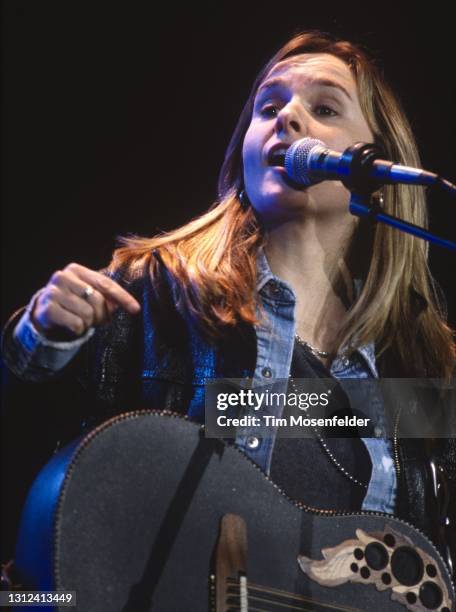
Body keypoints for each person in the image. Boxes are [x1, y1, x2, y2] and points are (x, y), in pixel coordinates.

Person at [2, 31, 455, 569]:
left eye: (325, 107)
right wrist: (43, 337)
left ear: (375, 165)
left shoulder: (416, 357)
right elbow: (30, 441)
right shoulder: (161, 294)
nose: (287, 118)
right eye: (269, 106)